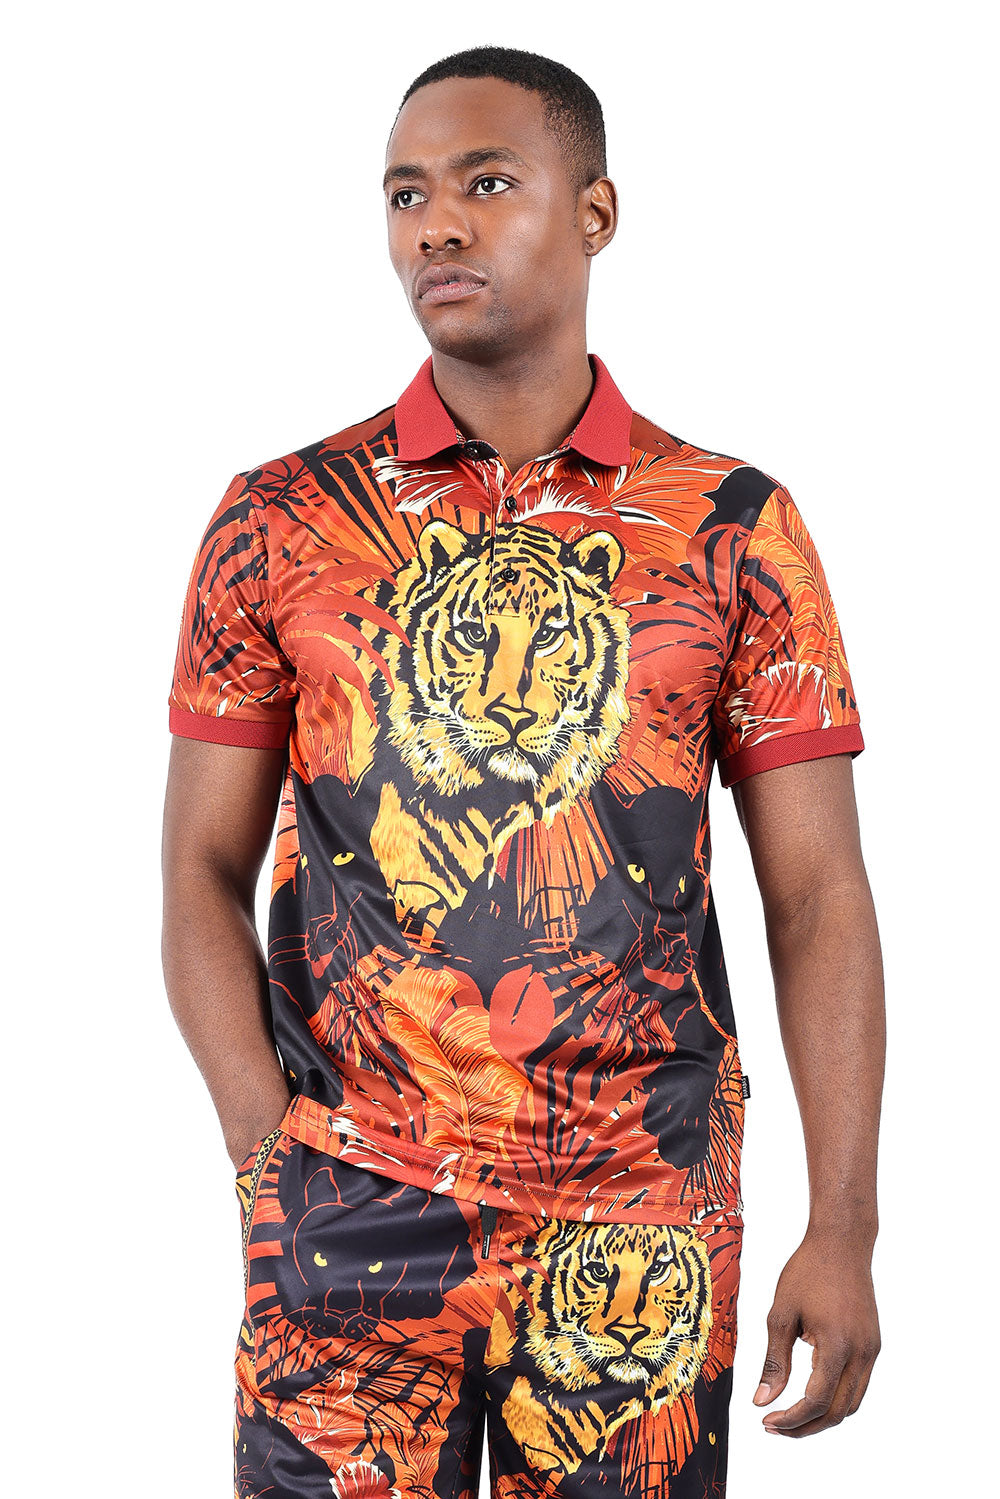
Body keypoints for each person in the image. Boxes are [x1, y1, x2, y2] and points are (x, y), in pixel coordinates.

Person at [162, 44, 884, 1499]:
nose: (437, 225)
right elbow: (198, 868)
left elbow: (817, 893)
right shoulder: (280, 519)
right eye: (406, 194)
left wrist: (845, 1222)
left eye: (487, 183)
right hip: (348, 1202)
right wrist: (265, 1151)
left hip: (641, 1213)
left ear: (596, 212)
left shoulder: (735, 527)